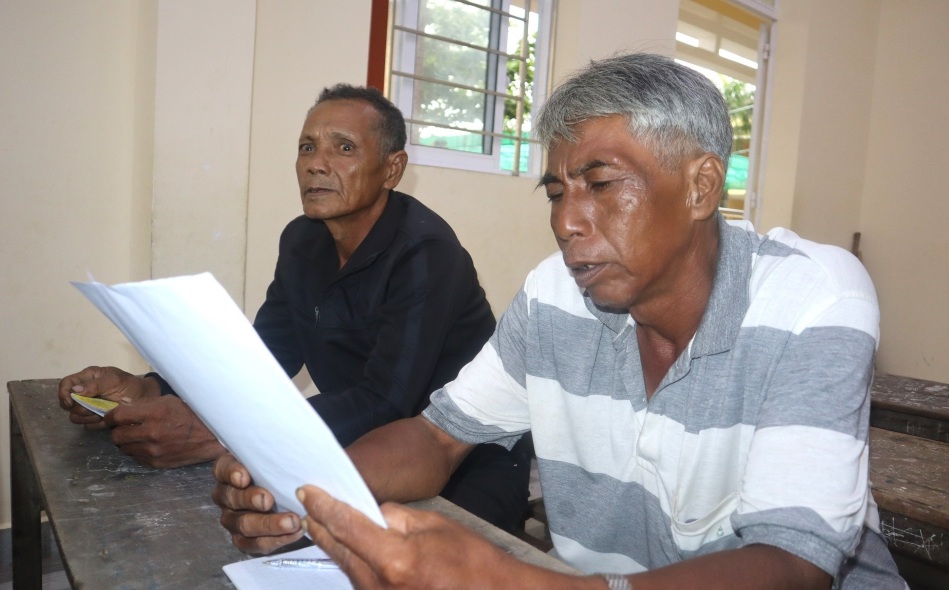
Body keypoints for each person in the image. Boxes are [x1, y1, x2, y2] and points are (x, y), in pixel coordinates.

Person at [213, 54, 909, 589]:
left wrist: (515, 579)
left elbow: (792, 567)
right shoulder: (554, 296)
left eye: (601, 185)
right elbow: (435, 438)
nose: (566, 221)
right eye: (555, 191)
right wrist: (303, 492)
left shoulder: (812, 297)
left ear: (700, 186)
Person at [58, 84, 531, 533]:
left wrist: (225, 435)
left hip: (466, 455)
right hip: (353, 443)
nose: (316, 165)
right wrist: (148, 388)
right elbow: (260, 358)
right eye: (307, 147)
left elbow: (387, 400)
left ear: (392, 169)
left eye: (343, 148)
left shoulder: (426, 253)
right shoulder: (302, 240)